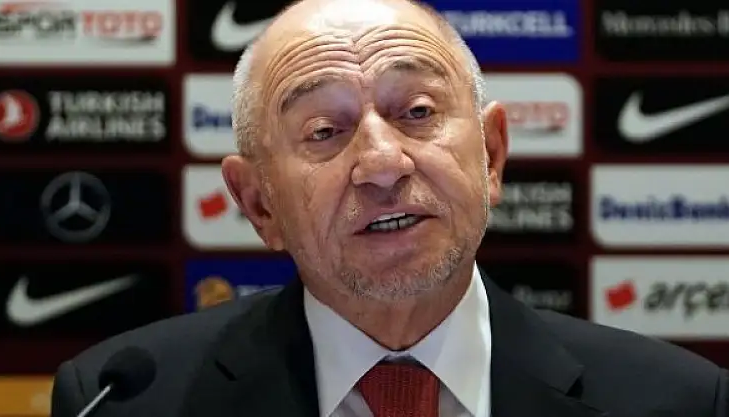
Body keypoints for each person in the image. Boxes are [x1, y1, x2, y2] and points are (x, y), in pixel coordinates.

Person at [50, 0, 728, 416]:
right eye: (325, 131)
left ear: (491, 155)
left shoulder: (679, 402)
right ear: (259, 204)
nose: (381, 163)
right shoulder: (124, 404)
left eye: (418, 112)